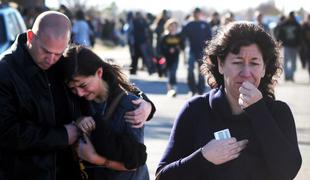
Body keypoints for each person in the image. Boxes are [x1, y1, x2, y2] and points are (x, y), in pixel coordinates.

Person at [0, 11, 154, 180]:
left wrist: (145, 102)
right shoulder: (5, 72)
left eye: (58, 53)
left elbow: (103, 77)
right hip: (24, 173)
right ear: (31, 37)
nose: (51, 59)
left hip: (68, 171)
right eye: (46, 51)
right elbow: (6, 132)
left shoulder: (60, 62)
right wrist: (64, 135)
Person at [156, 22, 302, 180]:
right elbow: (162, 176)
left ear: (264, 68)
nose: (246, 73)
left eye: (254, 63)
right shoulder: (195, 110)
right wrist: (204, 157)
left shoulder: (278, 112)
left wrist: (259, 111)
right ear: (220, 64)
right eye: (237, 62)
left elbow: (288, 172)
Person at [58, 45, 149, 180]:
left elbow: (133, 162)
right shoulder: (76, 101)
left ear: (99, 73)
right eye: (73, 88)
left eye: (83, 85)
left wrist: (95, 158)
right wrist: (78, 121)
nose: (79, 93)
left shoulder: (130, 105)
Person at [181, 7, 212, 95]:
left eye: (198, 13)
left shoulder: (204, 24)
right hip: (191, 50)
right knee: (190, 70)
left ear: (200, 14)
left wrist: (208, 49)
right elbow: (182, 36)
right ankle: (192, 89)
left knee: (201, 71)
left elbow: (210, 37)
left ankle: (200, 90)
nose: (196, 15)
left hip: (202, 52)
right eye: (195, 13)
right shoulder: (189, 24)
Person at [159, 18, 184, 97]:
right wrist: (168, 50)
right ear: (168, 26)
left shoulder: (179, 36)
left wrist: (177, 48)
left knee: (173, 72)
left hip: (175, 57)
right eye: (171, 26)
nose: (173, 27)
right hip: (166, 58)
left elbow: (182, 46)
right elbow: (161, 47)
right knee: (169, 73)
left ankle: (174, 89)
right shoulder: (165, 36)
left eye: (175, 26)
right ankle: (170, 89)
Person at [277, 11, 302, 81]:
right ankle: (287, 75)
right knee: (286, 61)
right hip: (286, 46)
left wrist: (299, 44)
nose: (292, 18)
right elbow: (279, 34)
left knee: (293, 63)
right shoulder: (284, 24)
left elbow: (300, 36)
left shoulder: (297, 25)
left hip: (294, 46)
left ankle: (291, 75)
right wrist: (279, 43)